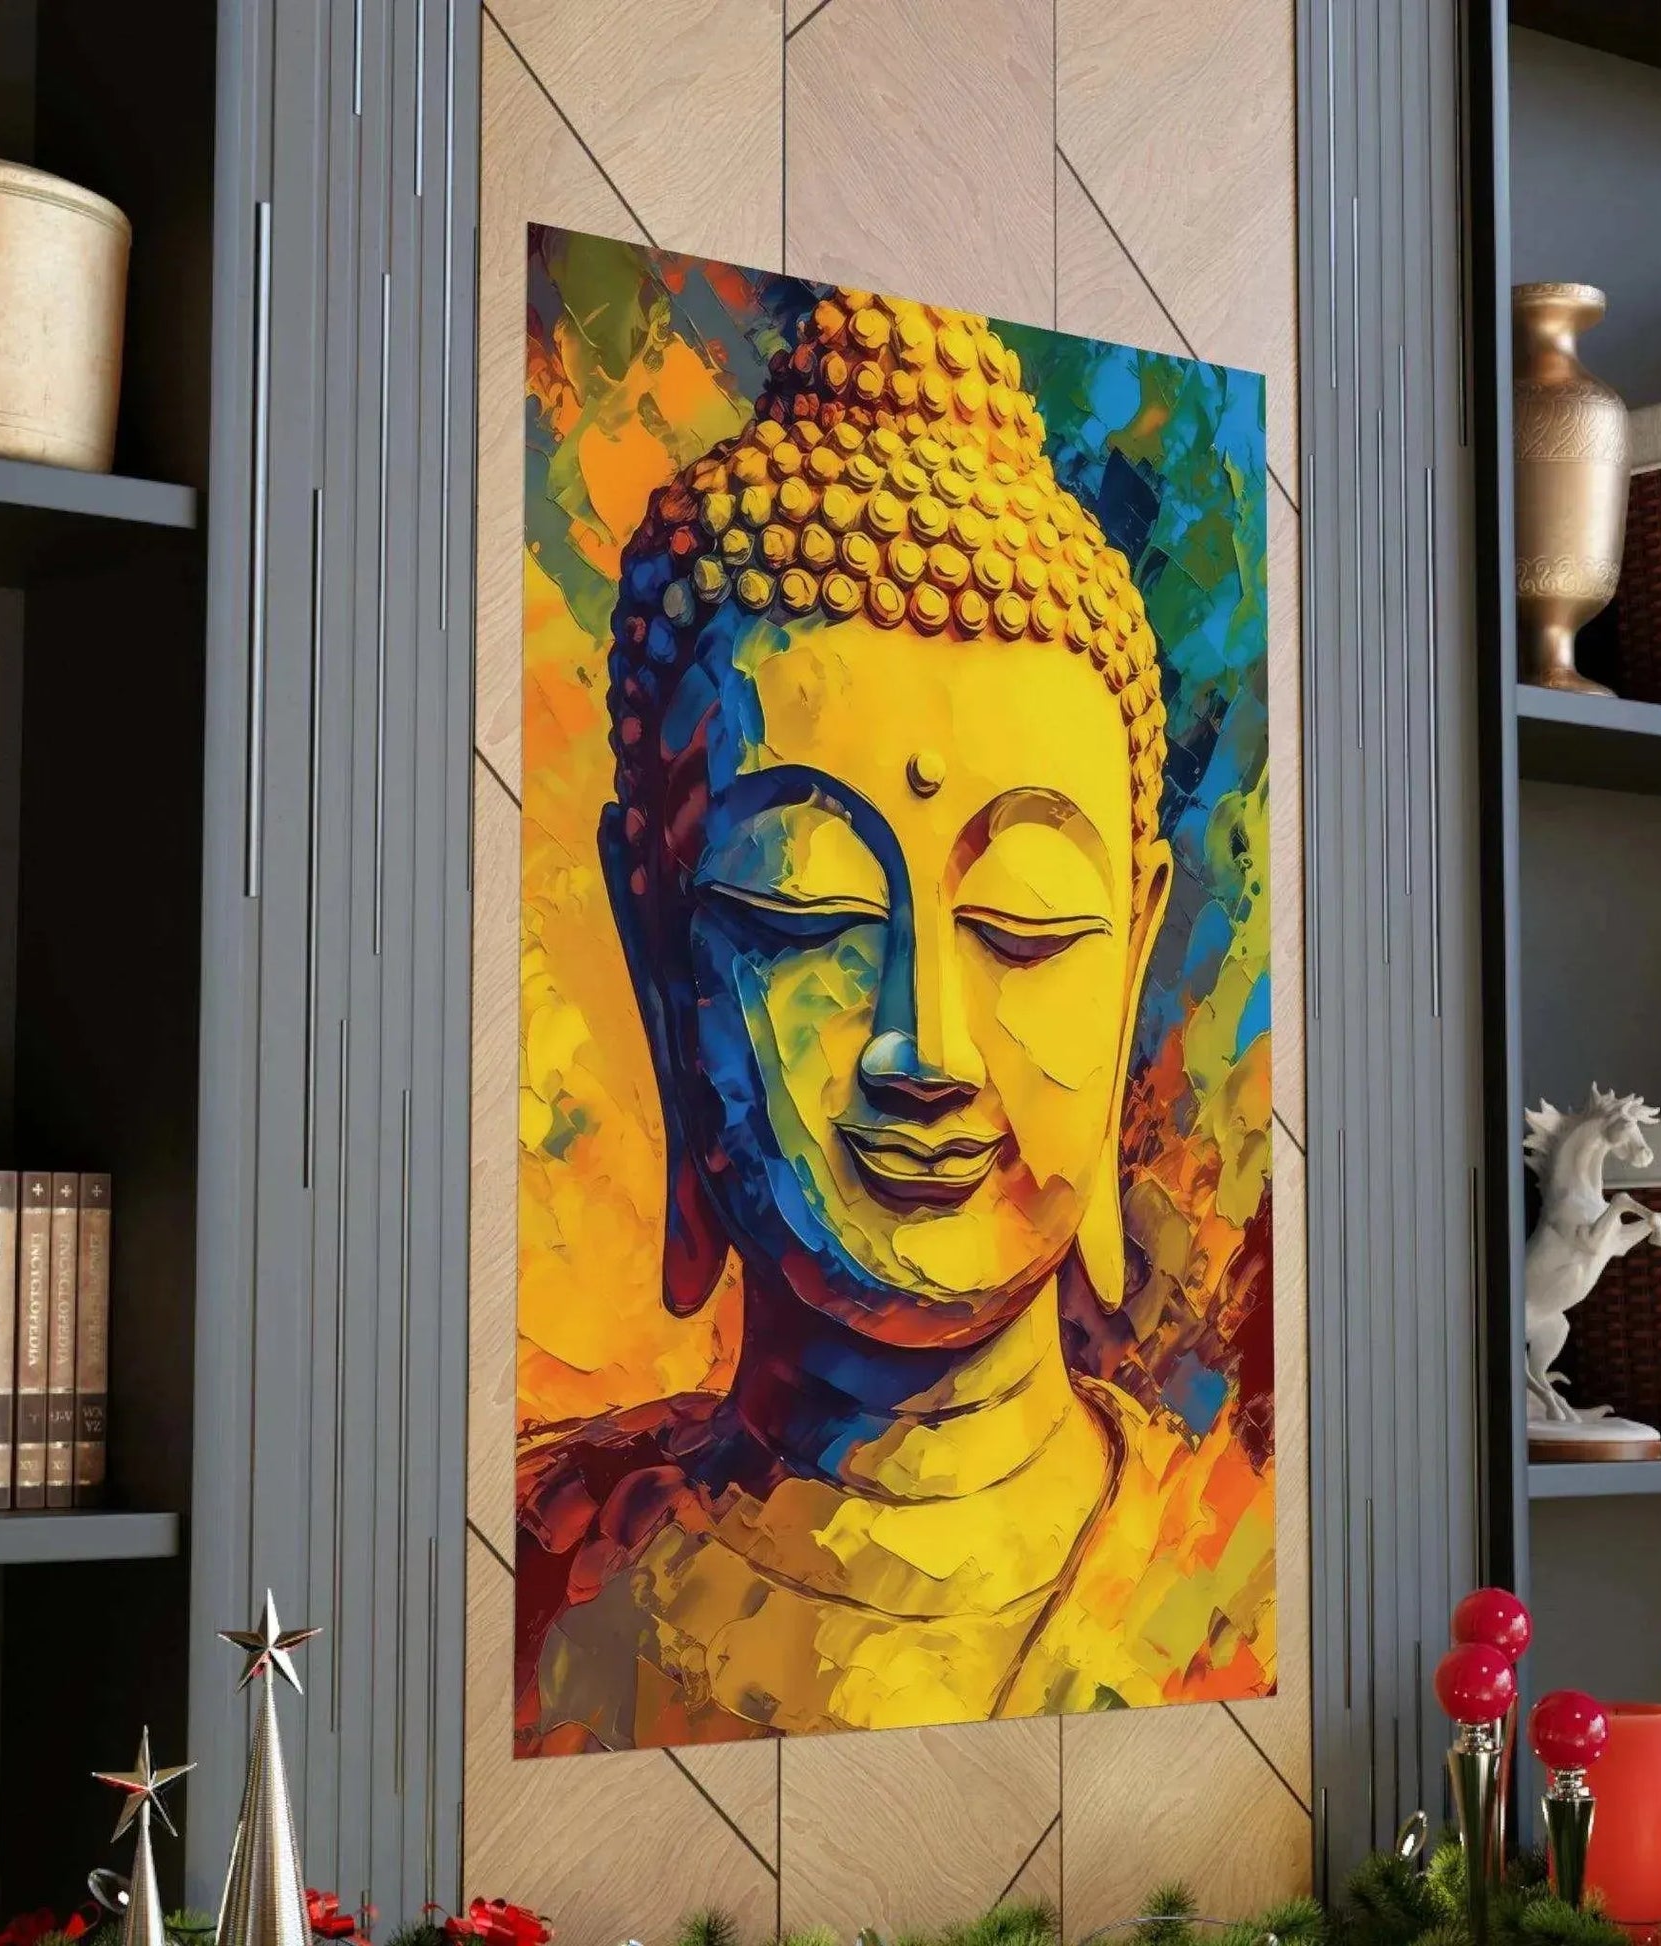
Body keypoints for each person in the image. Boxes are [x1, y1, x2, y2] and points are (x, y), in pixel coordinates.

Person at [514, 288, 1271, 1754]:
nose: (923, 1046)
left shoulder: (1220, 1578)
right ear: (662, 947)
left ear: (1126, 971)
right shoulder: (532, 1570)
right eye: (805, 921)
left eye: (1026, 926)